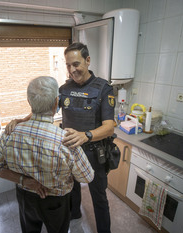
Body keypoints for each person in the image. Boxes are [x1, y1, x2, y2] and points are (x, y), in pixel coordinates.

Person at [0, 76, 94, 233]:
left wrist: (24, 180)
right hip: (56, 201)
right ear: (56, 103)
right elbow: (87, 177)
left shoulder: (11, 132)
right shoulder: (66, 140)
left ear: (29, 102)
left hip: (25, 196)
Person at [59, 42, 115, 233]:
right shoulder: (64, 89)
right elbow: (44, 108)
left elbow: (109, 127)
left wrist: (86, 136)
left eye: (76, 64)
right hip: (69, 151)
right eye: (68, 65)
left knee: (99, 197)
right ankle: (75, 219)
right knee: (72, 191)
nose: (72, 70)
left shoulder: (103, 88)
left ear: (88, 60)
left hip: (94, 153)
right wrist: (22, 120)